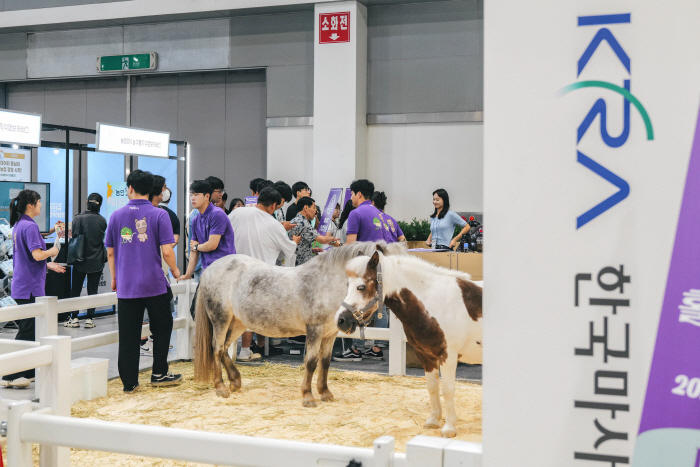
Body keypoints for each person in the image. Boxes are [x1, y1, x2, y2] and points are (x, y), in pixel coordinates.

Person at [105, 169, 182, 393]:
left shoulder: (116, 215)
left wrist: (114, 277)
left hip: (127, 286)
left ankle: (129, 383)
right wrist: (176, 271)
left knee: (128, 334)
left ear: (129, 188)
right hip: (154, 284)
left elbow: (110, 252)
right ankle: (159, 373)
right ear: (152, 190)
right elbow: (167, 251)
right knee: (163, 327)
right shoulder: (160, 215)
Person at [1, 190, 65, 388]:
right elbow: (37, 255)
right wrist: (54, 251)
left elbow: (28, 258)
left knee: (32, 330)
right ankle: (11, 375)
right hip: (29, 288)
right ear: (30, 205)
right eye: (38, 202)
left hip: (25, 285)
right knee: (28, 331)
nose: (40, 205)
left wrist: (48, 264)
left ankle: (27, 372)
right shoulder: (29, 226)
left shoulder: (20, 225)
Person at [335, 180, 404, 362]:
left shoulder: (356, 213)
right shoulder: (382, 215)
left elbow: (351, 245)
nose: (351, 198)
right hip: (382, 267)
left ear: (359, 194)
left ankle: (357, 348)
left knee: (358, 303)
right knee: (378, 305)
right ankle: (377, 346)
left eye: (352, 194)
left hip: (363, 269)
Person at [229, 187, 301, 356]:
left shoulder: (237, 213)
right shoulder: (273, 224)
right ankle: (245, 350)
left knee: (233, 312)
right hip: (260, 275)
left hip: (234, 269)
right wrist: (295, 240)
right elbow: (289, 249)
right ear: (273, 205)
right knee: (250, 312)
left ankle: (229, 350)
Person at [65, 193, 107, 329]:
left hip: (79, 259)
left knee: (75, 290)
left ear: (87, 202)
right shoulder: (102, 221)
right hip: (97, 259)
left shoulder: (78, 219)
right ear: (100, 204)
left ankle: (74, 318)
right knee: (92, 290)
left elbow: (75, 236)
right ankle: (90, 319)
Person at [288, 197, 339, 265]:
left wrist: (311, 249)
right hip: (300, 264)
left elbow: (299, 245)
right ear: (306, 208)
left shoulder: (296, 220)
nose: (315, 211)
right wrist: (333, 240)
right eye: (313, 207)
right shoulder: (303, 222)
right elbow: (322, 240)